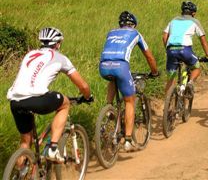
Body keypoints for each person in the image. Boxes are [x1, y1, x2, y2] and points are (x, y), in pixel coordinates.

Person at [7, 27, 92, 164]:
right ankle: (52, 148)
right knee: (64, 104)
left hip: (15, 101)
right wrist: (88, 96)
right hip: (37, 99)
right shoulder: (60, 58)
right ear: (57, 44)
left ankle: (21, 172)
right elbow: (83, 86)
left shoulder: (30, 54)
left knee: (25, 142)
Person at [99, 11, 159, 153]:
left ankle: (108, 109)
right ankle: (127, 140)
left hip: (103, 66)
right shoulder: (136, 33)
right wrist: (155, 72)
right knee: (129, 101)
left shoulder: (111, 32)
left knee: (113, 79)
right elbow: (149, 57)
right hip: (121, 66)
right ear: (133, 25)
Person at [162, 1, 208, 95]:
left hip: (171, 50)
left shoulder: (173, 20)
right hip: (185, 50)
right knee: (196, 67)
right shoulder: (195, 21)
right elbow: (203, 40)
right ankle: (190, 83)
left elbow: (164, 37)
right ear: (193, 13)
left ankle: (168, 106)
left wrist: (168, 49)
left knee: (171, 79)